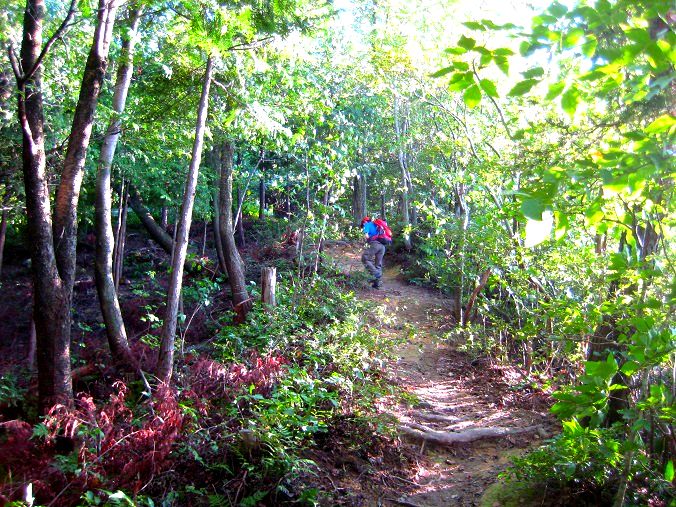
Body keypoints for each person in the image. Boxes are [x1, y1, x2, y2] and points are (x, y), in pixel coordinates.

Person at [361, 216, 387, 289]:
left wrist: (367, 240)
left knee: (365, 258)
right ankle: (377, 284)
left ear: (364, 222)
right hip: (383, 246)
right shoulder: (379, 225)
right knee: (378, 264)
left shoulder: (367, 225)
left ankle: (376, 274)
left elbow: (366, 236)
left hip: (375, 244)